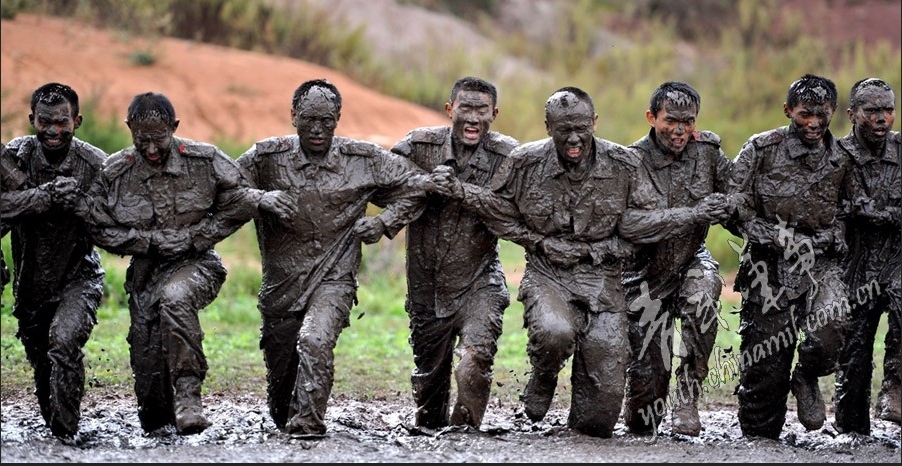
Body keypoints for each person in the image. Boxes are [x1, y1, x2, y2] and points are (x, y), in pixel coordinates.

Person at [431, 86, 657, 438]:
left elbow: (645, 224)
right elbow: (497, 209)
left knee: (598, 420)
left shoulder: (624, 164)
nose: (573, 138)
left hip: (604, 280)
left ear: (595, 123)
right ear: (547, 126)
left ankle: (582, 417)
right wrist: (536, 241)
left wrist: (598, 250)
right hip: (548, 273)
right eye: (563, 128)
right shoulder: (525, 162)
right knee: (554, 332)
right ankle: (544, 373)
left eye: (581, 127)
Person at [78, 92, 295, 435]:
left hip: (198, 265)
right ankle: (164, 415)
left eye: (158, 139)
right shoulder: (115, 173)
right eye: (141, 139)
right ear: (129, 129)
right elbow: (95, 222)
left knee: (176, 296)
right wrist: (146, 242)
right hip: (145, 276)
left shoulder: (204, 160)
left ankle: (189, 394)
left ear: (174, 128)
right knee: (152, 412)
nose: (150, 149)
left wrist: (200, 235)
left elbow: (240, 198)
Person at [235, 79, 428, 437]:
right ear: (293, 116)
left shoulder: (363, 160)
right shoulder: (267, 157)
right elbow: (226, 187)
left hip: (334, 279)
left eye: (326, 120)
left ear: (338, 117)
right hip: (281, 286)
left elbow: (419, 185)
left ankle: (309, 427)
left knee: (315, 339)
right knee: (280, 400)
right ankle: (291, 418)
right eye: (309, 119)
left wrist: (385, 221)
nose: (318, 129)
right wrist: (259, 199)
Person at [725, 74, 852, 439]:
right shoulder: (761, 149)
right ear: (787, 111)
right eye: (804, 114)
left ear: (833, 113)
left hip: (821, 263)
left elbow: (850, 211)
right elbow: (735, 209)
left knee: (834, 324)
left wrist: (829, 236)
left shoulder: (841, 158)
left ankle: (807, 375)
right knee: (765, 367)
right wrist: (777, 238)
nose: (813, 123)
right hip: (768, 264)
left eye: (822, 114)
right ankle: (760, 442)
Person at [389, 77, 518, 430]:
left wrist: (460, 191)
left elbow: (511, 211)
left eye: (482, 110)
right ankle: (437, 428)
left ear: (494, 113)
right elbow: (383, 181)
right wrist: (425, 182)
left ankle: (466, 431)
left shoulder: (509, 156)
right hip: (426, 282)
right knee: (429, 400)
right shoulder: (418, 145)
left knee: (476, 358)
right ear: (450, 110)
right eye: (465, 108)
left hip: (480, 277)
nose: (473, 118)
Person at [618, 81, 736, 436]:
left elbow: (738, 197)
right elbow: (628, 225)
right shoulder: (630, 160)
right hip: (641, 274)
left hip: (690, 258)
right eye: (671, 120)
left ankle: (688, 395)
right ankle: (638, 395)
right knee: (642, 420)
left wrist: (726, 206)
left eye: (689, 121)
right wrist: (695, 213)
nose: (680, 129)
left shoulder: (709, 153)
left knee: (704, 292)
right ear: (652, 117)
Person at [0, 83, 107, 441]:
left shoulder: (95, 163)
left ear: (77, 120)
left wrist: (80, 205)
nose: (52, 130)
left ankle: (67, 436)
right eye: (44, 122)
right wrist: (41, 196)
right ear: (32, 119)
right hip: (30, 284)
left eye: (61, 122)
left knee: (63, 342)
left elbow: (113, 220)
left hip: (79, 276)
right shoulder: (15, 157)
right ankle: (56, 427)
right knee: (43, 364)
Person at [833, 77, 901, 433]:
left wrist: (875, 212)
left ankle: (895, 389)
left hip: (897, 259)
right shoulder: (835, 155)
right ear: (852, 113)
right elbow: (827, 210)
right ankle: (850, 430)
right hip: (853, 264)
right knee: (854, 353)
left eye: (888, 110)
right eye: (872, 110)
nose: (881, 118)